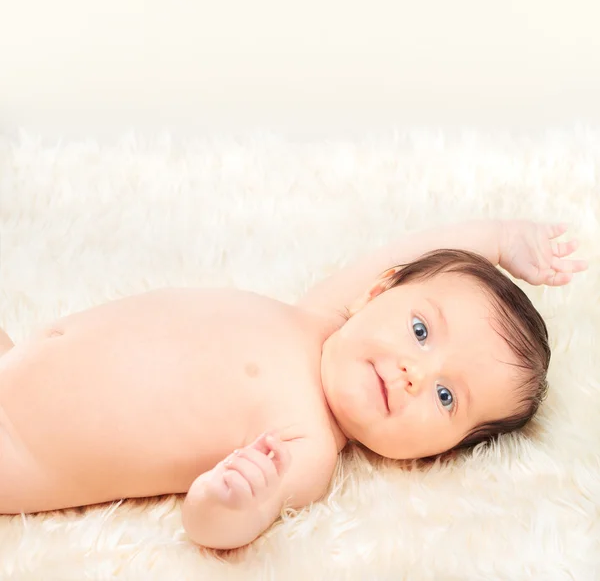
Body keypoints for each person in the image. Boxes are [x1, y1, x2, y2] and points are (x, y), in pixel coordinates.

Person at [0, 219, 587, 549]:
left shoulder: (306, 448)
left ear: (441, 453)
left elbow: (219, 527)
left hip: (17, 449)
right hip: (19, 355)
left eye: (446, 398)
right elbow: (405, 252)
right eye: (419, 329)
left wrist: (227, 500)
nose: (417, 373)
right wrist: (500, 240)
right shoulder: (319, 317)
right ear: (377, 294)